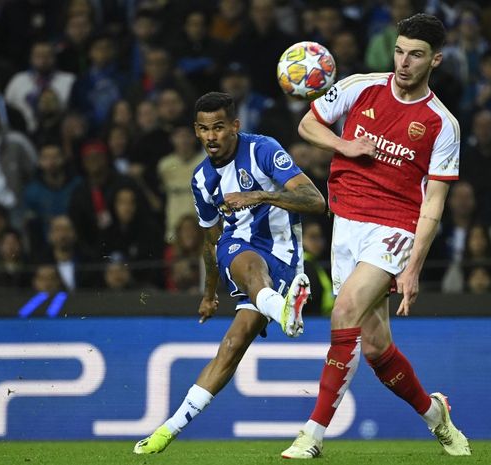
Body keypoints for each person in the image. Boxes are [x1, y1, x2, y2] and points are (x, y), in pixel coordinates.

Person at [281, 13, 471, 459]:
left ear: (436, 60)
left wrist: (413, 269)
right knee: (374, 346)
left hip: (394, 228)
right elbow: (308, 125)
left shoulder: (442, 124)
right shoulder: (361, 86)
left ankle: (313, 434)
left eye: (416, 55)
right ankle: (436, 416)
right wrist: (345, 146)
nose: (404, 62)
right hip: (345, 222)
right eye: (400, 51)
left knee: (343, 309)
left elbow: (434, 204)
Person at [133, 91, 326, 454]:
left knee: (233, 346)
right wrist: (209, 294)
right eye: (204, 129)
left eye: (219, 127)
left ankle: (280, 309)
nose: (211, 137)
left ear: (235, 126)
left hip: (285, 255)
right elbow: (211, 240)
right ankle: (167, 432)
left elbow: (316, 201)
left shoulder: (263, 150)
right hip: (239, 250)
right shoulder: (202, 179)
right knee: (244, 259)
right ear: (195, 130)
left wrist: (261, 197)